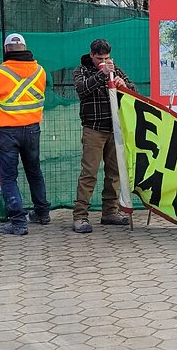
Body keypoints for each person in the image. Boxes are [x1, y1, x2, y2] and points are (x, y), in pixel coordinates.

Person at [0, 33, 51, 236]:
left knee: (9, 177)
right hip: (33, 129)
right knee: (34, 171)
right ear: (25, 48)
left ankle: (18, 222)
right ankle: (42, 213)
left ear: (7, 50)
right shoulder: (40, 71)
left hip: (8, 131)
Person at [71, 38, 135, 233]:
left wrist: (124, 85)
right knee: (89, 173)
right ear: (91, 55)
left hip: (115, 129)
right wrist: (102, 74)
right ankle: (80, 216)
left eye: (106, 58)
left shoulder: (116, 69)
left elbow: (133, 91)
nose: (103, 61)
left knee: (114, 173)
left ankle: (110, 212)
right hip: (93, 129)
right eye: (99, 58)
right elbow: (82, 90)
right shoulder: (81, 70)